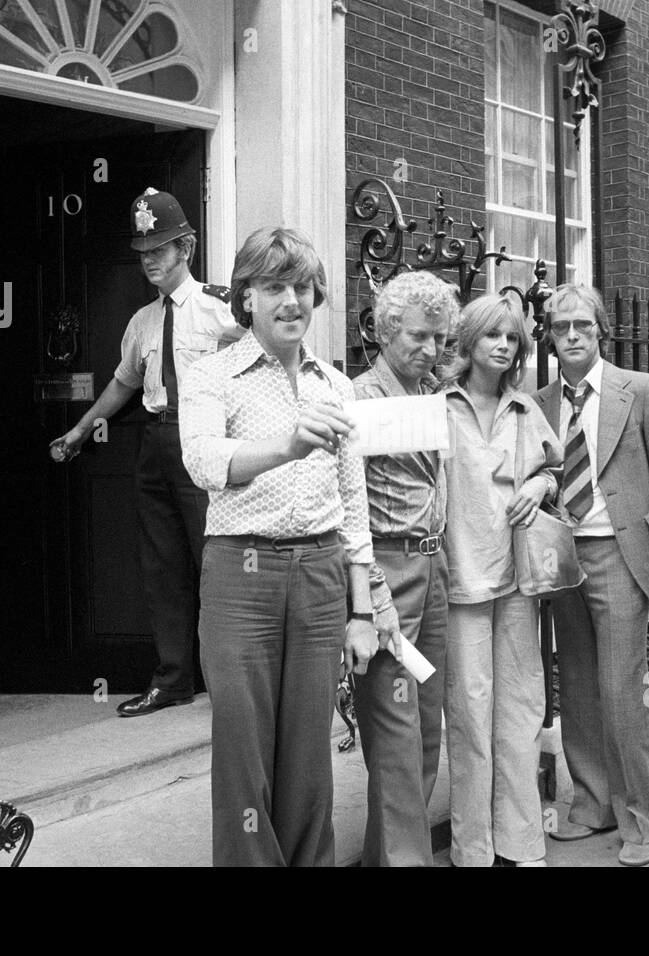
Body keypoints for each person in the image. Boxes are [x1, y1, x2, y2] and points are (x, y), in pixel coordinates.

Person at [179, 226, 396, 867]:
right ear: (246, 297)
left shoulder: (336, 384)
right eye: (273, 287)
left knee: (309, 752)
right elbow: (203, 461)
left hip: (322, 574)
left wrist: (362, 610)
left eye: (301, 287)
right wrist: (288, 446)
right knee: (244, 748)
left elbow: (353, 507)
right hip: (239, 576)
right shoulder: (211, 374)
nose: (290, 302)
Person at [49, 187, 241, 717]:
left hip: (204, 441)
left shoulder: (222, 312)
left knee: (215, 563)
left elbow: (261, 368)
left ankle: (230, 683)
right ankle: (174, 678)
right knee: (162, 566)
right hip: (155, 443)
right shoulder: (142, 321)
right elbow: (123, 384)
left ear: (187, 248)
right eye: (143, 251)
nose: (149, 260)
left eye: (160, 248)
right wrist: (81, 431)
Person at [531, 283, 649, 866]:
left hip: (620, 554)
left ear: (601, 332)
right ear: (550, 334)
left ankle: (643, 821)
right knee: (580, 687)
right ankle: (592, 805)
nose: (571, 335)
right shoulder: (539, 401)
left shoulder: (638, 391)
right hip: (562, 558)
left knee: (622, 691)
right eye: (561, 327)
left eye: (583, 327)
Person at [440, 291, 563, 867]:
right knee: (469, 721)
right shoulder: (438, 405)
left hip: (518, 583)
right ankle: (473, 851)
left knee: (519, 716)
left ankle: (522, 844)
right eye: (493, 335)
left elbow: (556, 469)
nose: (504, 346)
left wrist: (540, 486)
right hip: (460, 582)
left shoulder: (525, 410)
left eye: (512, 338)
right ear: (468, 342)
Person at [352, 270, 461, 866]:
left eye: (440, 339)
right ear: (386, 331)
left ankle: (389, 856)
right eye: (420, 337)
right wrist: (371, 598)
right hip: (388, 569)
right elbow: (350, 511)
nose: (432, 350)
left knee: (424, 729)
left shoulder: (430, 397)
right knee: (394, 734)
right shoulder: (358, 399)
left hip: (434, 566)